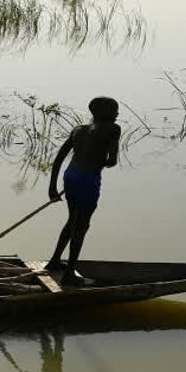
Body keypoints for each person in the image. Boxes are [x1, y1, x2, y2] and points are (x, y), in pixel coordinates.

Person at [46, 96, 121, 285]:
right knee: (81, 226)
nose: (117, 114)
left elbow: (60, 157)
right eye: (115, 110)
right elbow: (112, 160)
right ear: (106, 113)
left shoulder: (78, 130)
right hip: (88, 180)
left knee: (72, 219)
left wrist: (52, 187)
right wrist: (101, 162)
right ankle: (69, 274)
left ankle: (55, 261)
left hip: (70, 176)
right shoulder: (113, 129)